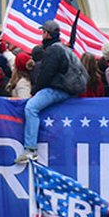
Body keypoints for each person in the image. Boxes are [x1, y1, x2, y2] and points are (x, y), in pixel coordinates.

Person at [16, 21, 84, 164]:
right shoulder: (64, 48)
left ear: (46, 34)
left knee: (31, 107)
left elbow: (46, 75)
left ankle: (30, 149)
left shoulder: (54, 50)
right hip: (69, 89)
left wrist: (34, 91)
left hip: (59, 89)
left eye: (43, 32)